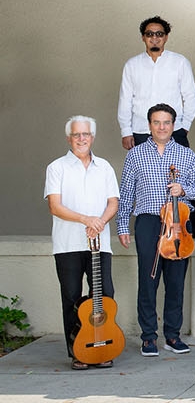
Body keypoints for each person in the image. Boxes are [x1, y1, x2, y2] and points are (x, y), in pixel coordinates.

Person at [117, 104, 195, 357]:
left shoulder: (186, 155)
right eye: (157, 122)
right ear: (149, 126)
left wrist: (183, 190)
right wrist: (123, 225)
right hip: (149, 221)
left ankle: (173, 336)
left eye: (167, 122)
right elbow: (126, 193)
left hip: (179, 223)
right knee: (148, 279)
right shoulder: (135, 155)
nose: (162, 127)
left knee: (176, 282)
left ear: (174, 125)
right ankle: (148, 337)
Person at [118, 16, 195, 238]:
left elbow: (190, 95)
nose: (154, 38)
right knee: (144, 178)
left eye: (159, 33)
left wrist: (185, 125)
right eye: (149, 34)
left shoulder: (179, 62)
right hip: (141, 128)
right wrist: (125, 131)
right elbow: (125, 99)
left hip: (174, 128)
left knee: (186, 175)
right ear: (143, 38)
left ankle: (193, 225)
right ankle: (149, 226)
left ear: (166, 37)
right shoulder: (132, 65)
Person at [44, 116, 120, 370]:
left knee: (105, 295)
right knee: (72, 297)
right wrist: (85, 219)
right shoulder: (57, 167)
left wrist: (99, 222)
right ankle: (77, 351)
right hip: (68, 245)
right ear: (69, 138)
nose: (81, 139)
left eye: (85, 134)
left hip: (100, 245)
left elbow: (113, 203)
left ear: (93, 137)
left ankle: (103, 347)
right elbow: (55, 206)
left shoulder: (105, 167)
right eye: (76, 135)